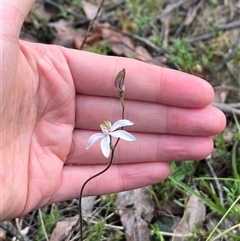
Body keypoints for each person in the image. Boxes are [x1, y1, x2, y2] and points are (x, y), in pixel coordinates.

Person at [0, 0, 226, 222]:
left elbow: (122, 131)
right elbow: (101, 141)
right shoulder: (105, 134)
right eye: (105, 127)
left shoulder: (118, 128)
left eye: (107, 126)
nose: (105, 126)